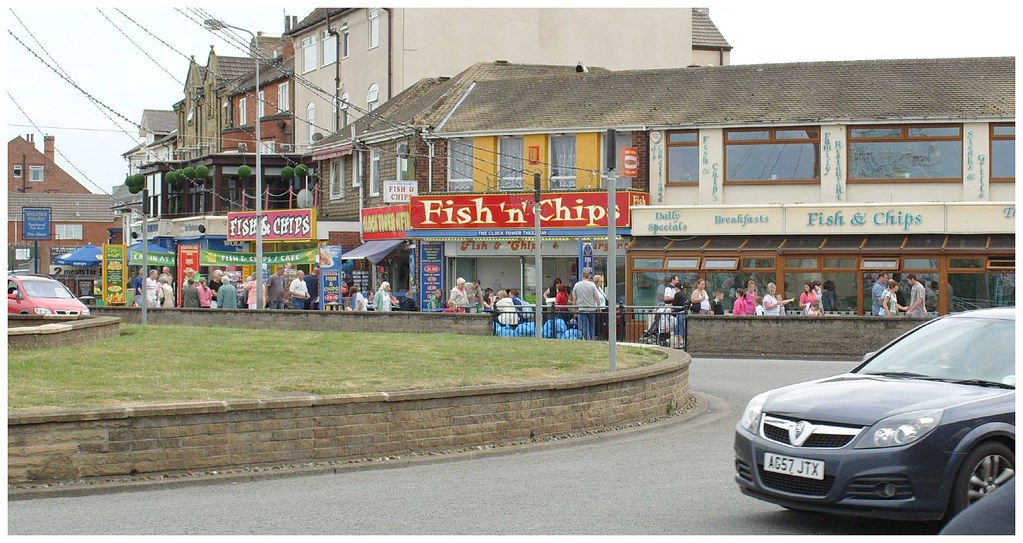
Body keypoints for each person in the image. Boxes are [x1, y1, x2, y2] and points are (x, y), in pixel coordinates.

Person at [571, 268, 600, 340]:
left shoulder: (577, 285)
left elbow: (574, 297)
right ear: (589, 276)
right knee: (591, 326)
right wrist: (599, 306)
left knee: (584, 325)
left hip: (581, 308)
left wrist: (574, 307)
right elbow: (596, 296)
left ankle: (587, 339)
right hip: (591, 308)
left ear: (582, 276)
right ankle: (592, 338)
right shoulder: (592, 285)